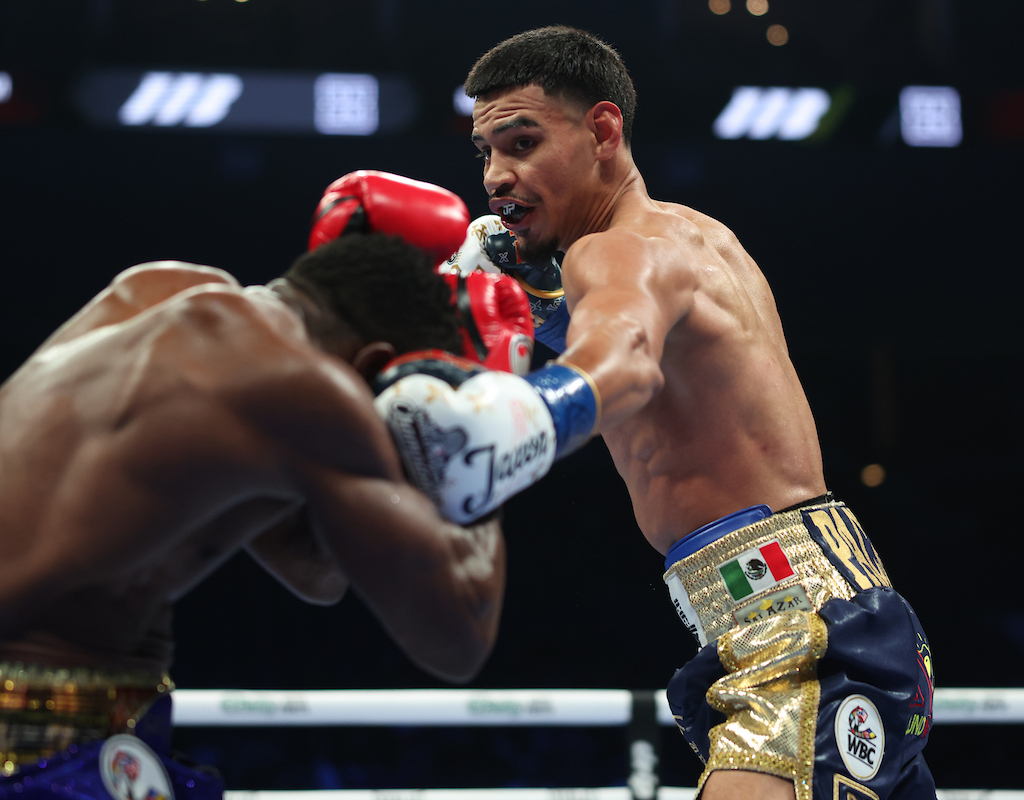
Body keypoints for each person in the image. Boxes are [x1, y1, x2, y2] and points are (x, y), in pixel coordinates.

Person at [372, 25, 935, 800]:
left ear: (604, 130)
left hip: (797, 631)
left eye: (524, 141)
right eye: (487, 153)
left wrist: (523, 420)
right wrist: (534, 301)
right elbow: (635, 347)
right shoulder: (692, 238)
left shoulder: (617, 252)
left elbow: (625, 357)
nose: (498, 176)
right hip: (817, 605)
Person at [0, 218, 533, 800]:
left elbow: (318, 573)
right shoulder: (305, 388)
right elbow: (458, 636)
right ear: (376, 362)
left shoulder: (159, 294)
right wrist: (484, 413)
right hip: (38, 769)